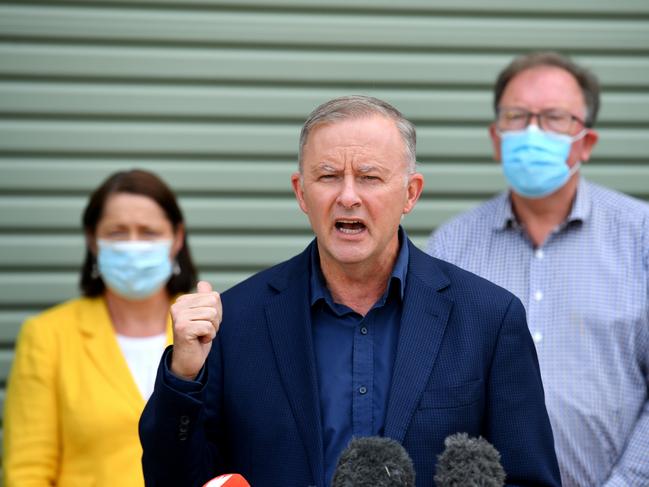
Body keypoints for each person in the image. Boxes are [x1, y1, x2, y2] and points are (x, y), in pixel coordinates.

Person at [139, 95, 561, 487]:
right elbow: (174, 479)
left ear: (410, 193)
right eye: (327, 176)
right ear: (301, 193)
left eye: (369, 177)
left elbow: (530, 478)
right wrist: (184, 376)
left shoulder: (488, 317)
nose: (347, 196)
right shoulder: (237, 320)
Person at [427, 52, 649, 487]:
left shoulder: (641, 236)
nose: (532, 131)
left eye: (553, 117)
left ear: (586, 141)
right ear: (495, 138)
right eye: (517, 116)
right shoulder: (452, 245)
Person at [3, 169, 198, 487]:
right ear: (93, 239)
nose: (133, 245)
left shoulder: (208, 327)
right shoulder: (47, 336)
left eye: (148, 232)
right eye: (118, 233)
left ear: (176, 238)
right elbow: (27, 471)